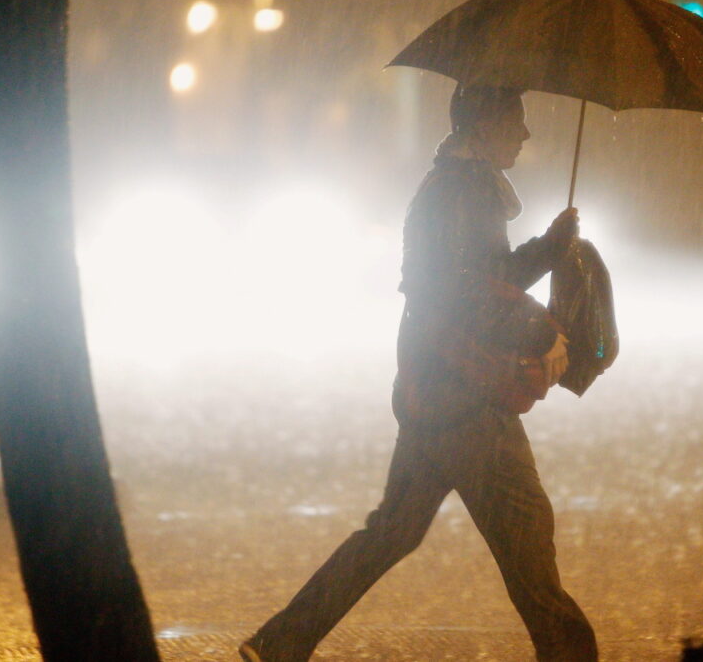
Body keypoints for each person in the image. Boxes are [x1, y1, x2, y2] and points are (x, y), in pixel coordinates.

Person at [240, 85, 598, 662]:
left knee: (391, 533)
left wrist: (547, 248)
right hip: (467, 398)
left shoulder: (456, 185)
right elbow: (464, 292)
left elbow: (484, 275)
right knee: (528, 541)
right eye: (516, 120)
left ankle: (282, 642)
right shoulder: (464, 190)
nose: (526, 134)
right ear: (484, 123)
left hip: (434, 389)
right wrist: (541, 333)